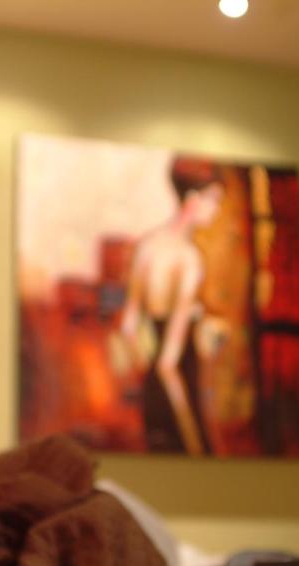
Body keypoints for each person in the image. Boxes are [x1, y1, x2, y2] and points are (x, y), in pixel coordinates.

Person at [119, 157, 224, 455]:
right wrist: (194, 437)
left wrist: (145, 375)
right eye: (213, 200)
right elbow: (169, 362)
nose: (216, 210)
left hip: (153, 389)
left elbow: (129, 325)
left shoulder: (147, 247)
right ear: (192, 199)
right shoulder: (189, 259)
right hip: (179, 385)